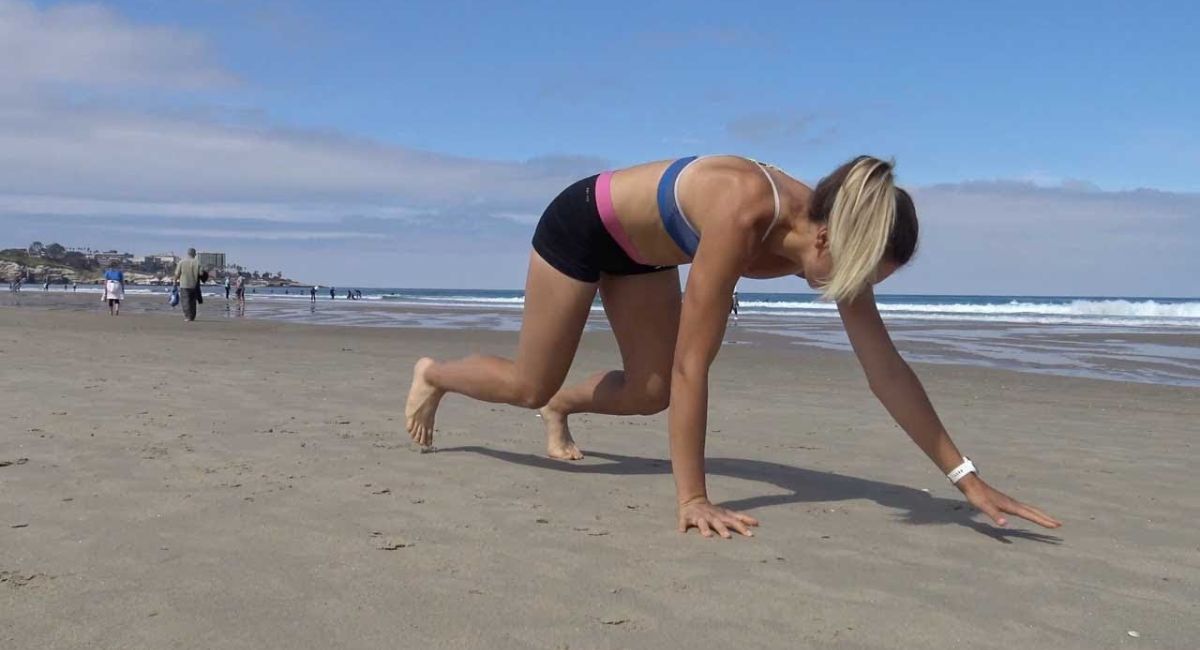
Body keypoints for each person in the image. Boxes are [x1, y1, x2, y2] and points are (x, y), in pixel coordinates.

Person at [404, 154, 1061, 539]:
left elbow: (885, 369)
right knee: (529, 384)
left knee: (650, 393)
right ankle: (436, 374)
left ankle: (563, 410)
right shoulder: (746, 213)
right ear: (829, 241)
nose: (853, 293)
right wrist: (692, 499)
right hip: (583, 224)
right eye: (860, 277)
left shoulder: (835, 244)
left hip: (645, 255)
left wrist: (966, 479)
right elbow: (696, 360)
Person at [173, 248, 202, 322]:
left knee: (185, 301)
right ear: (194, 254)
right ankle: (192, 316)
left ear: (188, 254)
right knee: (193, 302)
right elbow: (201, 273)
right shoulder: (197, 262)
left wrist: (175, 282)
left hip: (184, 284)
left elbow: (177, 274)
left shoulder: (181, 262)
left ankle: (188, 317)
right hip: (194, 285)